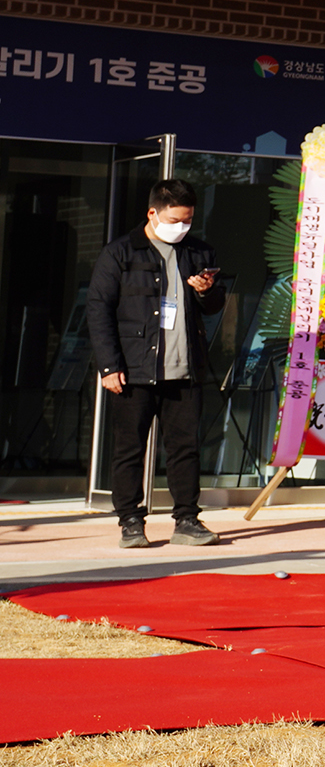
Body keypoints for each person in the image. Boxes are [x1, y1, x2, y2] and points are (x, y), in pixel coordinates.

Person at [85, 177, 225, 549]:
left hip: (184, 368)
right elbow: (98, 310)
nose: (182, 227)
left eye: (188, 220)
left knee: (185, 448)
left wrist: (207, 292)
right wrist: (109, 365)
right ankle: (131, 521)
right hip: (133, 370)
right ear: (153, 213)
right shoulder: (120, 253)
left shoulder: (199, 253)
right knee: (129, 448)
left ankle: (187, 519)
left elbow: (214, 307)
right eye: (176, 219)